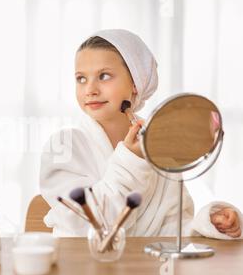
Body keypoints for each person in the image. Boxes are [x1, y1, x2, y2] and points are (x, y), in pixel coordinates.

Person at [39, 29, 242, 238]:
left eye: (104, 76)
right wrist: (131, 160)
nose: (90, 89)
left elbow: (172, 230)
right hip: (80, 267)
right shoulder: (63, 146)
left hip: (143, 269)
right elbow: (87, 224)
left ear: (135, 84)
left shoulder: (159, 148)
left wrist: (209, 223)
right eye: (81, 78)